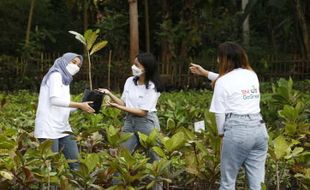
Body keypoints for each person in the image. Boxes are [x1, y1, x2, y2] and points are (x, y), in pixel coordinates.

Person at [190, 42, 268, 190]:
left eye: (219, 58)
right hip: (259, 129)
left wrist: (221, 134)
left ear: (225, 59)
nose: (217, 61)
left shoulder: (223, 82)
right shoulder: (251, 74)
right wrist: (205, 73)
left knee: (228, 182)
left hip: (238, 130)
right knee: (257, 183)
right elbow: (230, 80)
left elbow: (219, 112)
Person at [98, 52, 162, 190]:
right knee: (122, 157)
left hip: (147, 123)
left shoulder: (152, 86)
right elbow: (124, 102)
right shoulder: (129, 81)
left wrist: (119, 107)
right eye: (134, 64)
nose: (133, 67)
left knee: (154, 159)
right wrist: (109, 93)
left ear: (146, 68)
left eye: (137, 65)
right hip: (129, 122)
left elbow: (142, 111)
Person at [34, 52, 95, 170]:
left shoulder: (65, 80)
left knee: (75, 162)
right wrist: (79, 105)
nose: (76, 67)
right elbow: (55, 100)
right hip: (48, 128)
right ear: (64, 61)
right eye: (73, 62)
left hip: (63, 127)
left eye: (79, 65)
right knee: (51, 167)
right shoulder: (55, 75)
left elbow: (64, 106)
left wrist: (83, 106)